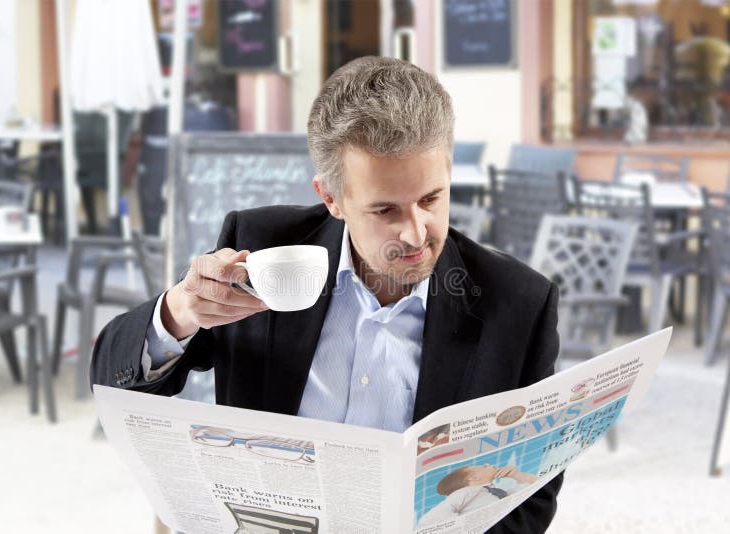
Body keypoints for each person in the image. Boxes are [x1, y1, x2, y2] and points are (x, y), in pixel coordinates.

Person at [91, 56, 563, 532]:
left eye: (430, 199)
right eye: (385, 210)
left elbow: (528, 500)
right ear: (331, 198)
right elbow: (114, 381)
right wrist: (178, 312)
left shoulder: (520, 304)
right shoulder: (263, 250)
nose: (417, 233)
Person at [417, 465, 539, 527]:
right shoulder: (466, 492)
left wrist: (517, 475)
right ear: (473, 477)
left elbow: (536, 486)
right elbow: (428, 520)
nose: (490, 465)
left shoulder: (498, 493)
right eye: (484, 466)